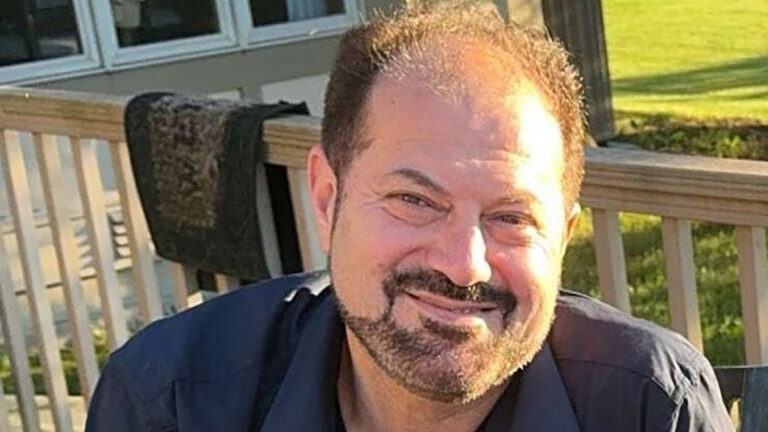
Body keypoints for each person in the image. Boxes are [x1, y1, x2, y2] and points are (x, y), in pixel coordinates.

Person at [85, 2, 733, 431]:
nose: (464, 262)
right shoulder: (170, 399)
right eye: (415, 200)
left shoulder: (650, 406)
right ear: (327, 196)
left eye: (512, 216)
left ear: (563, 237)